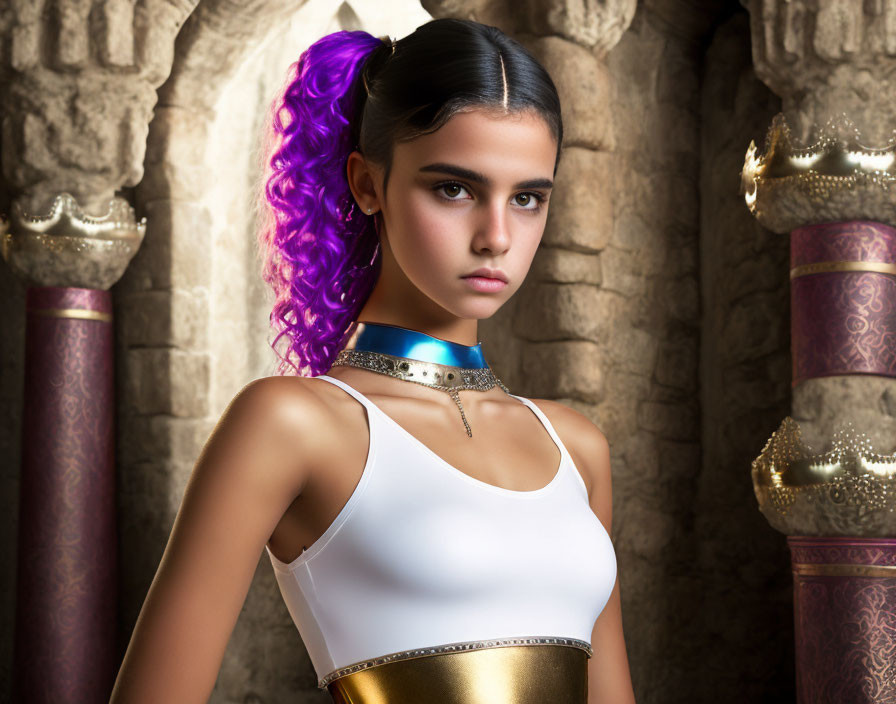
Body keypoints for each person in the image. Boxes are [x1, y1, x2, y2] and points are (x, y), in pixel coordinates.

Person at [110, 18, 635, 704]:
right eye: (454, 188)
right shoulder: (291, 424)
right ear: (367, 183)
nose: (497, 237)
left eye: (528, 197)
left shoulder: (577, 447)